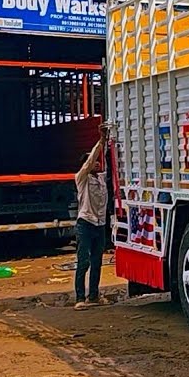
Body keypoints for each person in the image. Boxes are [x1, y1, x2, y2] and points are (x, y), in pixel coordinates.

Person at [74, 126, 110, 309]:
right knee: (84, 261)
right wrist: (101, 142)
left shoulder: (101, 178)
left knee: (96, 261)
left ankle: (93, 296)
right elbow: (89, 162)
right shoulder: (82, 178)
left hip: (100, 224)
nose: (97, 163)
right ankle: (80, 298)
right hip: (85, 224)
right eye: (94, 162)